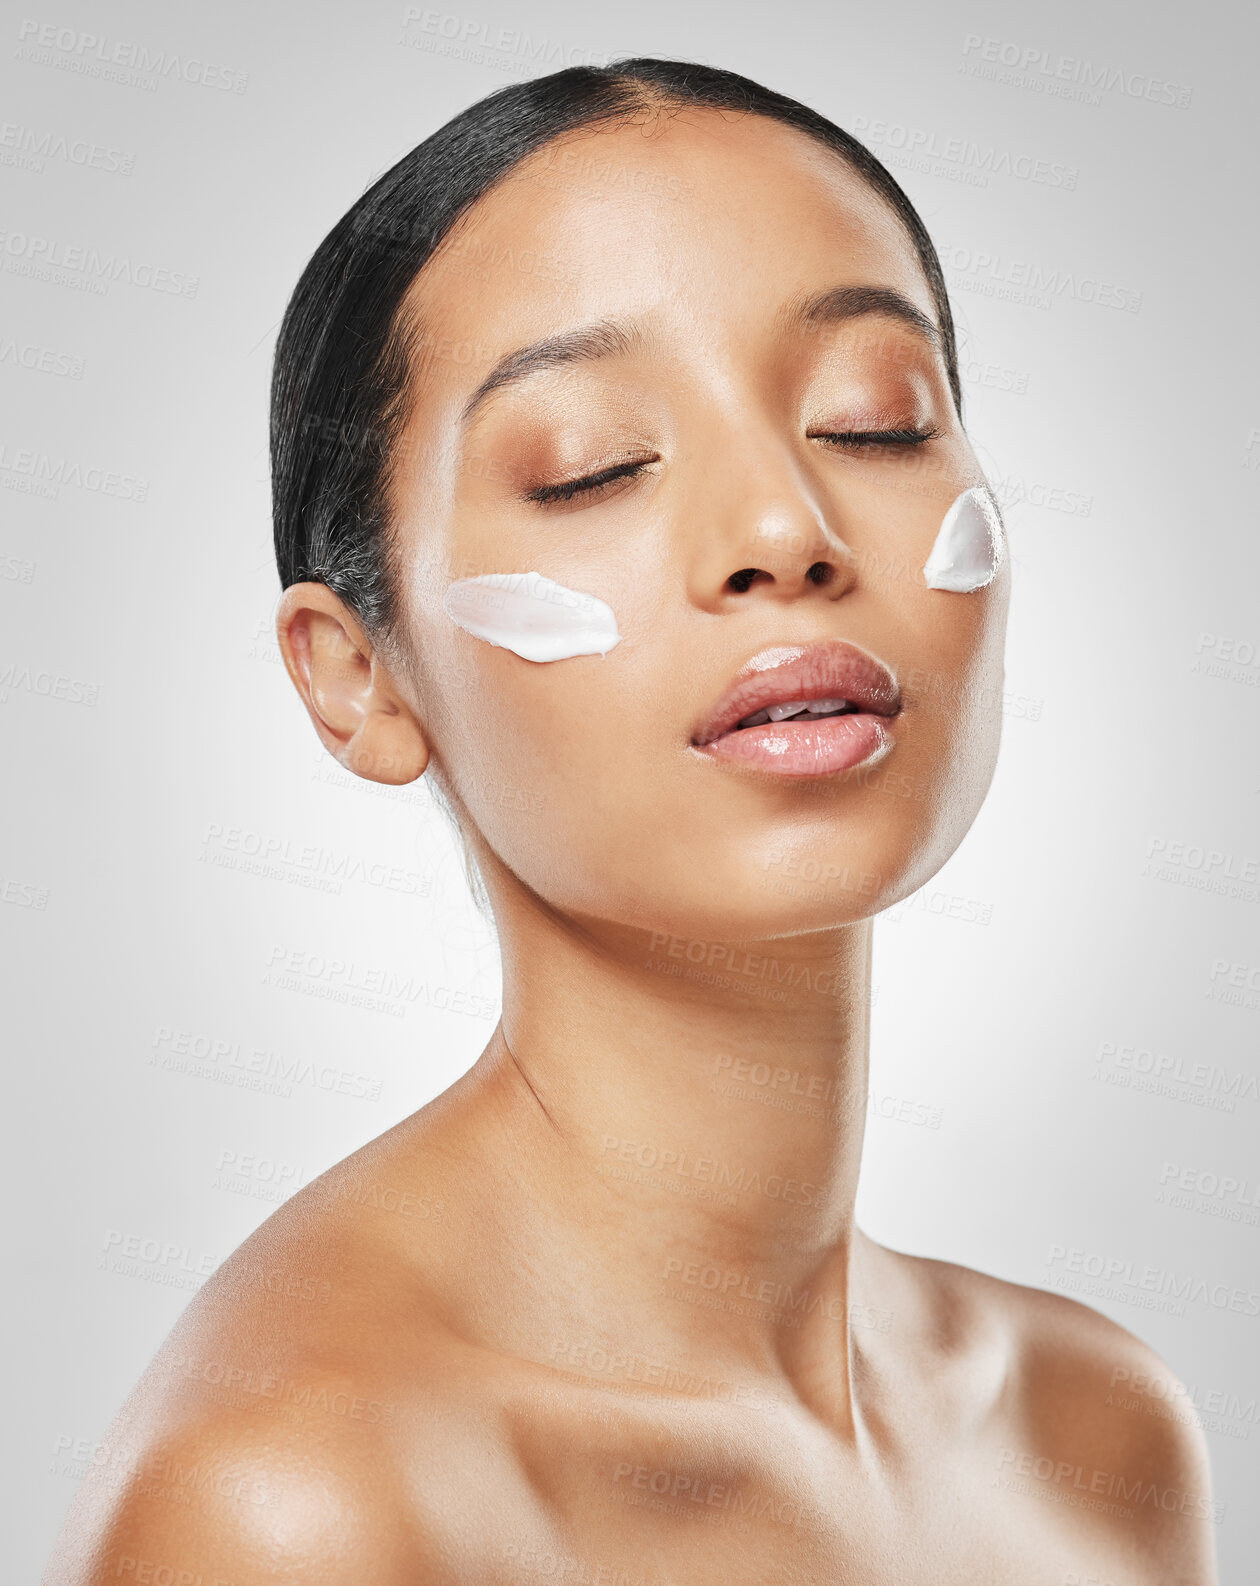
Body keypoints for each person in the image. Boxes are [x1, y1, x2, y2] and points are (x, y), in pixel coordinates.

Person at [44, 57, 1218, 1585]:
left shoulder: (1100, 1433)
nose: (783, 532)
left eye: (875, 420)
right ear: (356, 679)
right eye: (592, 462)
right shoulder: (307, 1503)